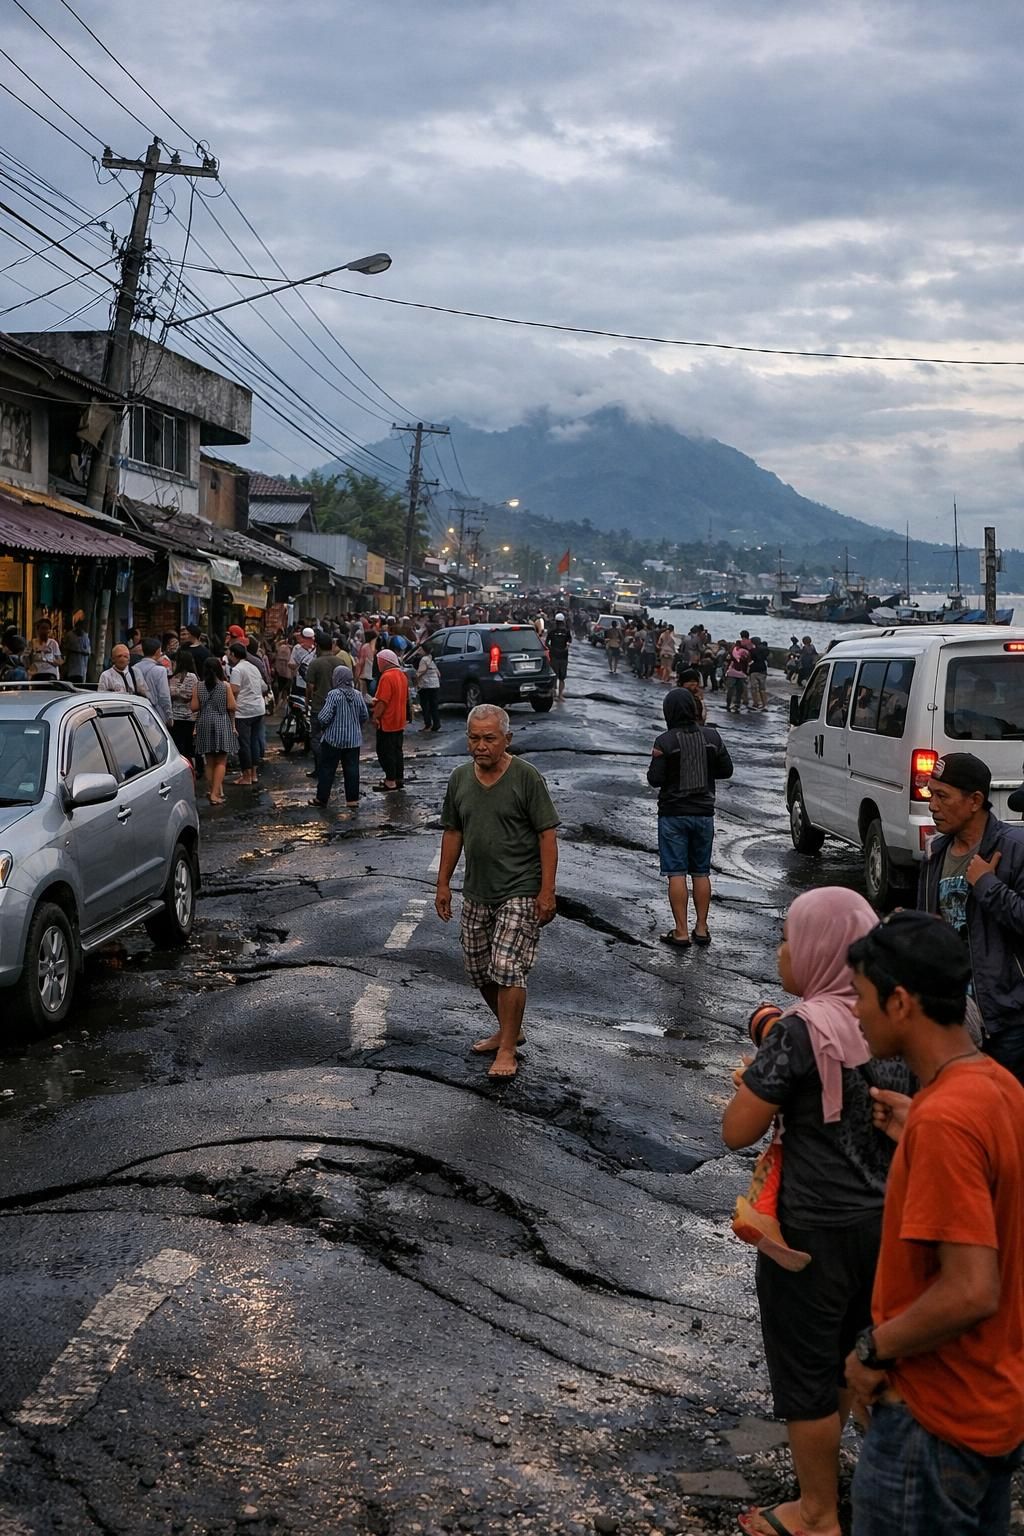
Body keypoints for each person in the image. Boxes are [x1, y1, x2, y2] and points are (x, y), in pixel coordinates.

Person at [724, 889, 909, 1536]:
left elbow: (736, 1130)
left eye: (790, 939)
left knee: (806, 1369)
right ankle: (888, 1482)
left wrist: (755, 1084)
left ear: (821, 952)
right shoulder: (890, 1016)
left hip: (810, 1230)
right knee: (859, 1354)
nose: (782, 950)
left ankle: (817, 1513)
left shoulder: (801, 1030)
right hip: (887, 1222)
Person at [844, 911, 1024, 1536]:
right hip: (990, 1410)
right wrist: (921, 1124)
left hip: (931, 1423)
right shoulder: (998, 1087)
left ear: (899, 1002)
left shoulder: (945, 1121)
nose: (856, 1014)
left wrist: (871, 1349)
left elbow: (972, 1289)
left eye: (861, 998)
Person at [435, 704, 559, 1082]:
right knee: (478, 968)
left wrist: (547, 892)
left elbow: (547, 835)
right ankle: (509, 1029)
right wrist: (443, 883)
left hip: (520, 887)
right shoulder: (459, 779)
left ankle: (508, 1049)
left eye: (489, 738)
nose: (480, 746)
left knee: (507, 966)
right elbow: (453, 832)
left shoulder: (526, 778)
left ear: (507, 739)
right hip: (477, 890)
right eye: (474, 738)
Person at [917, 752, 1024, 1083]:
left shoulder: (1014, 847)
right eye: (930, 794)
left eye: (942, 796)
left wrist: (987, 885)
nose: (933, 805)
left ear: (975, 800)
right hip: (953, 1018)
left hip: (1007, 1021)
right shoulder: (935, 852)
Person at [647, 687, 732, 947]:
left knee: (676, 873)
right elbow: (726, 770)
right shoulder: (712, 737)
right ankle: (702, 928)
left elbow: (655, 779)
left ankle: (681, 931)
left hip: (673, 815)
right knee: (701, 872)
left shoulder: (665, 741)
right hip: (704, 815)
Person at [313, 665, 369, 809]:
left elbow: (324, 717)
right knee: (352, 770)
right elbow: (365, 715)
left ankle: (322, 799)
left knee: (327, 769)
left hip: (333, 740)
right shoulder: (357, 694)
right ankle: (352, 800)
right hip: (353, 740)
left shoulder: (334, 694)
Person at [193, 656, 236, 805]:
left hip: (204, 722)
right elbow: (232, 706)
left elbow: (194, 707)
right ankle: (215, 794)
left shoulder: (198, 686)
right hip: (221, 722)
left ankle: (213, 790)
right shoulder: (225, 686)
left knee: (209, 761)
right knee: (221, 760)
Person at [227, 641, 267, 789]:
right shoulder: (253, 667)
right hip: (258, 709)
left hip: (244, 711)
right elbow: (263, 686)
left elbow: (235, 690)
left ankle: (246, 776)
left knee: (244, 743)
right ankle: (254, 774)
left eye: (229, 653)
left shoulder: (237, 670)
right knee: (254, 741)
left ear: (233, 655)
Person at [371, 648, 408, 792]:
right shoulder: (401, 675)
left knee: (385, 752)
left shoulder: (386, 677)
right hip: (399, 720)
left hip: (387, 721)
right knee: (397, 751)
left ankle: (390, 781)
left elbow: (382, 702)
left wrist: (375, 717)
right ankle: (398, 778)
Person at [133, 637, 173, 727]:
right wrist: (169, 716)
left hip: (138, 712)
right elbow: (164, 696)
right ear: (158, 651)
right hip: (156, 714)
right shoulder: (160, 670)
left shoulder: (134, 668)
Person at [168, 650, 199, 762]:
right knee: (179, 747)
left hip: (189, 716)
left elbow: (192, 694)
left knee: (188, 747)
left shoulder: (192, 677)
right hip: (176, 717)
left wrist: (178, 694)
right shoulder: (172, 677)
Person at [416, 646, 442, 732]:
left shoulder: (424, 660)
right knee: (434, 706)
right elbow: (438, 674)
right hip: (435, 685)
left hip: (426, 686)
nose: (419, 651)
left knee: (425, 706)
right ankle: (436, 724)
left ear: (424, 650)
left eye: (420, 649)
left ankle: (428, 725)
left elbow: (420, 672)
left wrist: (414, 678)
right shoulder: (431, 659)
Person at [547, 613, 571, 701]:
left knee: (558, 676)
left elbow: (569, 641)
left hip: (558, 657)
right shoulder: (553, 631)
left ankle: (558, 694)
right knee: (559, 677)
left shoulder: (565, 631)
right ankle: (557, 694)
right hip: (560, 657)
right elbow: (569, 642)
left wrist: (552, 649)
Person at [62, 618, 91, 684]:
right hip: (71, 667)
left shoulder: (85, 636)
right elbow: (66, 649)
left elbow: (88, 651)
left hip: (82, 668)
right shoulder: (70, 635)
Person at [290, 626, 316, 698]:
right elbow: (291, 664)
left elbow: (291, 664)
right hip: (302, 681)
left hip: (306, 681)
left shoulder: (315, 650)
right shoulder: (297, 648)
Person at [748, 636, 769, 711]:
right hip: (763, 669)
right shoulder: (765, 650)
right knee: (762, 688)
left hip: (754, 669)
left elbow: (750, 659)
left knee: (754, 688)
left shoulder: (752, 650)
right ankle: (765, 704)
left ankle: (756, 703)